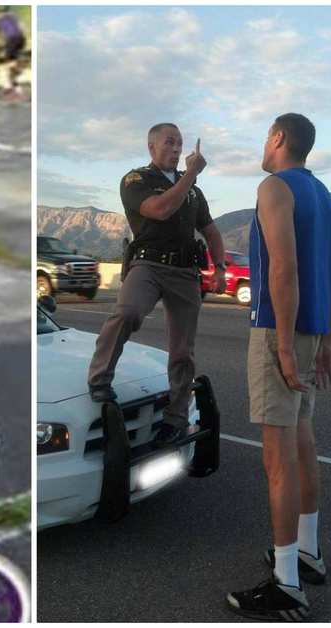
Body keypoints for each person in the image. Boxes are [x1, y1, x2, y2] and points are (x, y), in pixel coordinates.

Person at [226, 113, 331, 621]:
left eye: (265, 135)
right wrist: (326, 340)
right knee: (302, 445)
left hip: (280, 329)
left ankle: (286, 583)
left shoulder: (274, 188)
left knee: (278, 462)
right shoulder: (321, 193)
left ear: (278, 138)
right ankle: (308, 553)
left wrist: (285, 346)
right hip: (313, 328)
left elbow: (283, 269)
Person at [87, 123, 226, 447]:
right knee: (127, 313)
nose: (177, 148)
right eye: (169, 142)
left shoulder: (193, 191)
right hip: (148, 265)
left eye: (180, 143)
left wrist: (219, 267)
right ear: (151, 147)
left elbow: (212, 231)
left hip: (185, 272)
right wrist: (191, 174)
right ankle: (99, 379)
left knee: (182, 351)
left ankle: (175, 418)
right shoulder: (136, 180)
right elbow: (160, 210)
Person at [0, 7, 26, 93]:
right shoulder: (13, 16)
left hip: (12, 39)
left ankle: (9, 86)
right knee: (12, 62)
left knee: (3, 64)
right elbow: (22, 28)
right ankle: (15, 83)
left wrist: (0, 42)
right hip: (21, 39)